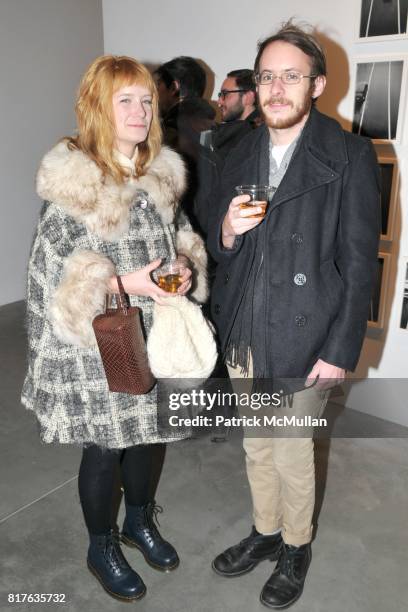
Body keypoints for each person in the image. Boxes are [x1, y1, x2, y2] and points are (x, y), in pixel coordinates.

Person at [21, 55, 208, 602]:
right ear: (98, 109)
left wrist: (182, 266)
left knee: (149, 437)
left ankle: (139, 521)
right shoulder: (73, 186)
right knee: (105, 448)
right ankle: (101, 543)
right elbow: (53, 279)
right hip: (97, 344)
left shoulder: (161, 175)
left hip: (155, 332)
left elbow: (182, 237)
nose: (140, 110)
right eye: (124, 100)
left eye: (146, 99)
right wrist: (124, 283)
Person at [207, 22, 380, 609]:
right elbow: (214, 242)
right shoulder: (236, 149)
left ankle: (296, 545)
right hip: (243, 330)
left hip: (306, 334)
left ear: (318, 85)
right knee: (256, 444)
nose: (277, 88)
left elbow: (361, 266)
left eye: (292, 76)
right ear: (256, 85)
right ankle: (265, 530)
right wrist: (227, 232)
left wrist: (340, 349)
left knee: (291, 449)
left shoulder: (351, 154)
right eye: (268, 76)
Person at [155, 56, 216, 231]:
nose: (154, 95)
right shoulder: (210, 122)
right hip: (209, 223)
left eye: (158, 86)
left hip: (185, 226)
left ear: (174, 87)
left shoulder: (173, 128)